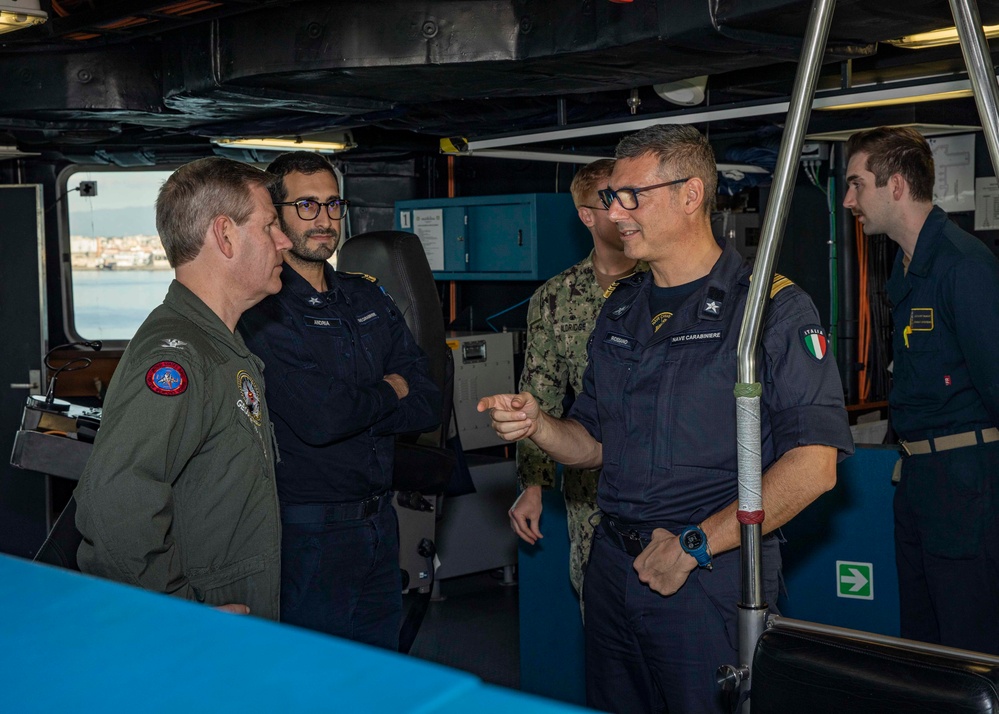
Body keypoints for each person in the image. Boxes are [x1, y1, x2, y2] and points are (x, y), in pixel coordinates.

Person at [479, 124, 853, 714]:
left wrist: (695, 544)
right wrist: (539, 427)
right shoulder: (620, 310)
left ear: (691, 194)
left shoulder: (768, 308)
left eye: (633, 196)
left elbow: (814, 467)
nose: (617, 212)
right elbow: (594, 442)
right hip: (612, 569)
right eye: (610, 197)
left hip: (709, 576)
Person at [238, 151, 440, 650]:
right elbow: (322, 418)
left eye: (333, 205)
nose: (325, 219)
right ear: (276, 215)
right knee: (313, 680)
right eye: (306, 205)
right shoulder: (262, 309)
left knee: (378, 674)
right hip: (307, 533)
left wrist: (363, 403)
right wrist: (391, 389)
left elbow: (430, 401)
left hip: (379, 521)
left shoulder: (367, 296)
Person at [75, 157, 292, 620]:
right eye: (270, 225)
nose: (284, 241)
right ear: (225, 235)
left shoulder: (221, 345)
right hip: (205, 623)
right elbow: (115, 501)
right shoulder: (179, 357)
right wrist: (175, 613)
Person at [844, 126, 999, 655]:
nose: (848, 201)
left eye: (856, 184)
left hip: (968, 492)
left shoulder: (964, 266)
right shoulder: (906, 268)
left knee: (968, 654)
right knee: (923, 651)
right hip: (917, 485)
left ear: (896, 188)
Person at [512, 158, 645, 605]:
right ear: (587, 215)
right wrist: (532, 488)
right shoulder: (555, 297)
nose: (626, 209)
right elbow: (540, 393)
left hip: (664, 480)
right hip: (591, 491)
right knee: (600, 602)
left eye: (633, 196)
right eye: (612, 200)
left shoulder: (665, 282)